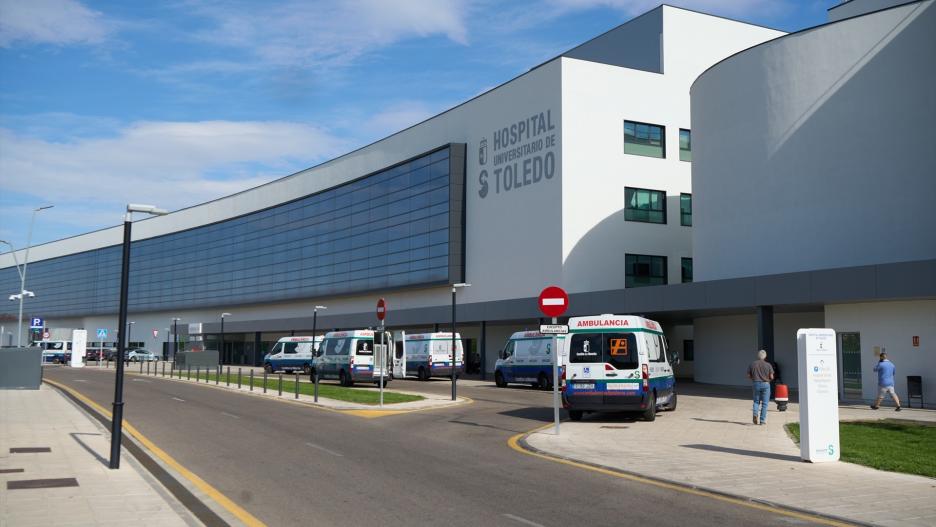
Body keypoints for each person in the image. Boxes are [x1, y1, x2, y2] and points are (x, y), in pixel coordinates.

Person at [747, 349, 774, 425]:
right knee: (765, 403)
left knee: (756, 401)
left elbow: (748, 375)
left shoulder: (752, 364)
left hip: (756, 383)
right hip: (766, 384)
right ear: (765, 356)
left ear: (758, 356)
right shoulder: (768, 365)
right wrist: (768, 380)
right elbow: (772, 377)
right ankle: (762, 421)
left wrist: (753, 379)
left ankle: (755, 414)